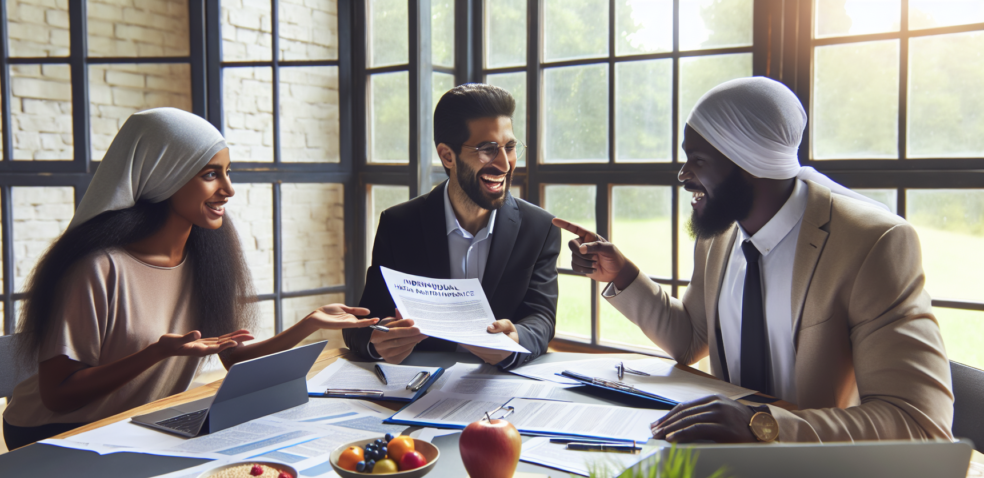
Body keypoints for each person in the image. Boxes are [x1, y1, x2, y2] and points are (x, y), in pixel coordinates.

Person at [555, 77, 953, 443]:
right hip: (725, 465)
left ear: (747, 162)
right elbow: (691, 339)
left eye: (698, 160)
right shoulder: (720, 236)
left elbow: (918, 422)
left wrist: (762, 426)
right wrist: (621, 274)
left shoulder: (873, 244)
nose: (682, 175)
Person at [2, 108, 378, 450]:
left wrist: (308, 324)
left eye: (228, 173)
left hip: (134, 427)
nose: (228, 190)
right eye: (211, 174)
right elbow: (58, 396)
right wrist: (156, 354)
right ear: (164, 178)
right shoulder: (97, 269)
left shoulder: (206, 260)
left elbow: (233, 357)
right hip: (57, 434)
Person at [343, 84, 560, 368]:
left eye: (509, 147)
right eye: (488, 150)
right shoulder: (399, 225)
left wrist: (516, 340)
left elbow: (541, 318)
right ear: (447, 156)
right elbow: (363, 322)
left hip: (504, 389)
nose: (505, 164)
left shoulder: (540, 228)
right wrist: (379, 337)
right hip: (420, 385)